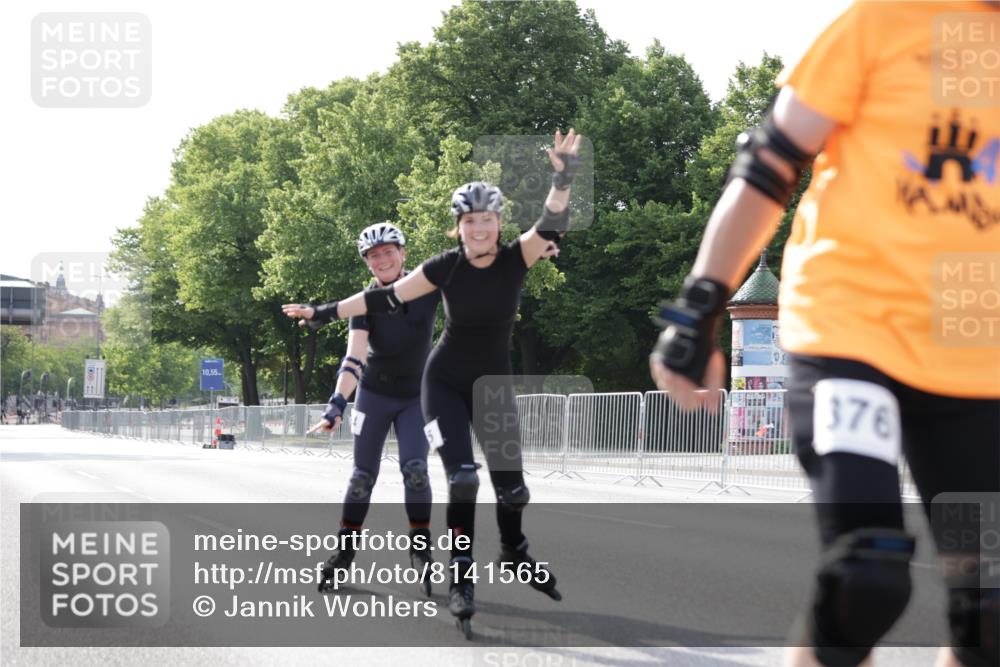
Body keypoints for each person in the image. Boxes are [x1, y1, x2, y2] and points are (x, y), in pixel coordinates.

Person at [649, 3, 999, 666]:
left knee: (990, 609)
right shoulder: (885, 23)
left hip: (975, 358)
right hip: (852, 332)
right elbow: (769, 164)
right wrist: (697, 309)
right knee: (866, 574)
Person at [284, 129, 581, 638]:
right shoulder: (442, 268)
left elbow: (552, 220)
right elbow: (382, 299)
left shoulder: (518, 256)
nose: (479, 228)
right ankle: (460, 580)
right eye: (470, 220)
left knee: (514, 491)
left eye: (487, 219)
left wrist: (564, 174)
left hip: (493, 386)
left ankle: (514, 550)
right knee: (462, 480)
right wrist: (322, 312)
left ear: (498, 223)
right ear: (458, 227)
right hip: (440, 383)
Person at [289, 223, 441, 596]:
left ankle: (420, 547)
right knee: (361, 478)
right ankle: (343, 553)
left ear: (403, 253)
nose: (383, 259)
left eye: (389, 251)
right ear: (368, 264)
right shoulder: (363, 305)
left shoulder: (426, 288)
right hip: (373, 395)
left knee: (416, 470)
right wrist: (336, 404)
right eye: (374, 255)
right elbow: (354, 358)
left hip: (414, 399)